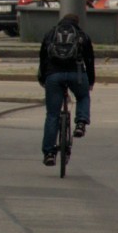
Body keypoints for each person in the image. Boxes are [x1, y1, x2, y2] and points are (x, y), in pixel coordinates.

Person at [37, 13, 95, 166]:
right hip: (77, 74)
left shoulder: (51, 34)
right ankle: (81, 122)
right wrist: (90, 81)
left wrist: (42, 78)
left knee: (52, 115)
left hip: (53, 75)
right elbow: (90, 60)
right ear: (77, 23)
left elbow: (42, 57)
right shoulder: (82, 36)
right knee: (83, 97)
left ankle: (49, 153)